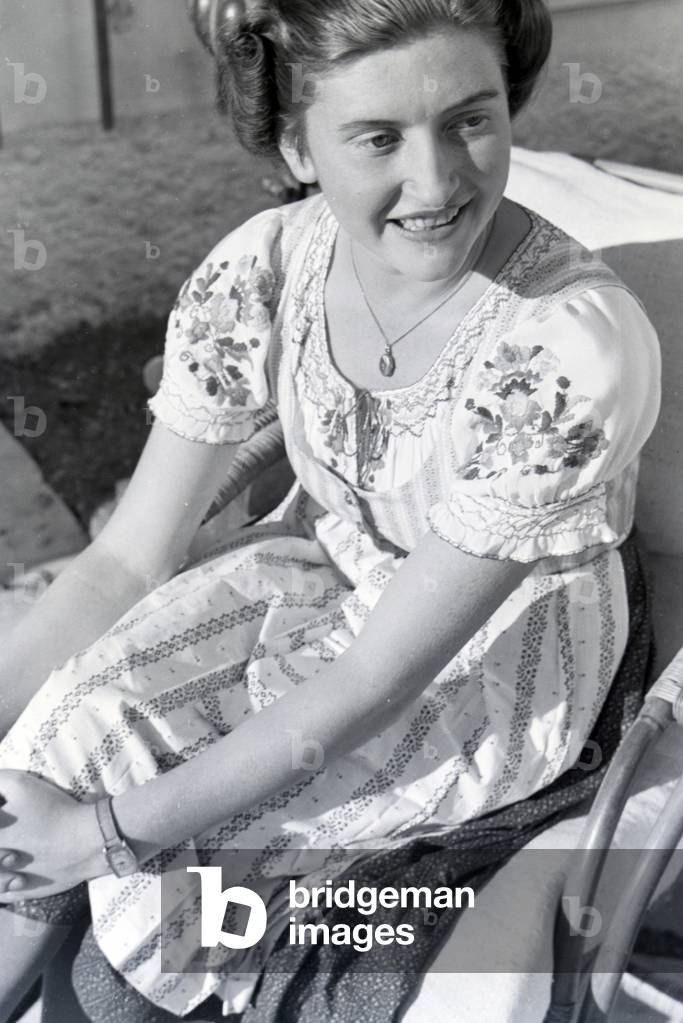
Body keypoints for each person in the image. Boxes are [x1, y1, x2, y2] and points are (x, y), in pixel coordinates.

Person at [0, 0, 662, 1019]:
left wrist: (107, 836)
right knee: (51, 744)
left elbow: (379, 677)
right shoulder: (263, 268)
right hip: (327, 575)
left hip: (487, 656)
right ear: (291, 143)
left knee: (143, 885)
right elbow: (120, 563)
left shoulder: (566, 349)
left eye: (469, 120)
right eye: (377, 138)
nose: (437, 181)